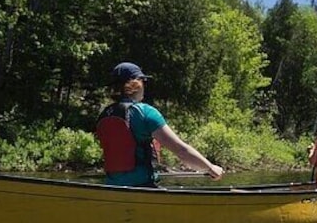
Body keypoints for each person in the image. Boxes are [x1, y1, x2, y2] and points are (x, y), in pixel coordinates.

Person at [95, 62, 224, 187]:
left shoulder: (104, 115)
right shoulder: (145, 112)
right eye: (143, 81)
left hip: (112, 188)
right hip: (143, 187)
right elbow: (181, 150)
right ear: (136, 84)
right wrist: (210, 167)